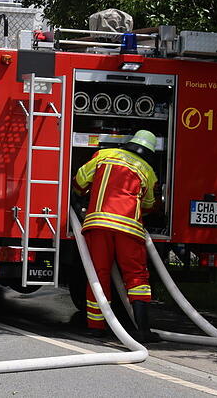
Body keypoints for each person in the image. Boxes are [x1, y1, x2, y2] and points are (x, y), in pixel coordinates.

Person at [73, 129, 160, 342]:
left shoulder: (104, 155)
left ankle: (96, 327)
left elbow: (79, 181)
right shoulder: (147, 170)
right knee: (137, 277)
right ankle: (143, 330)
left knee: (98, 275)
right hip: (129, 229)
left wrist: (82, 196)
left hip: (98, 224)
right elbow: (149, 205)